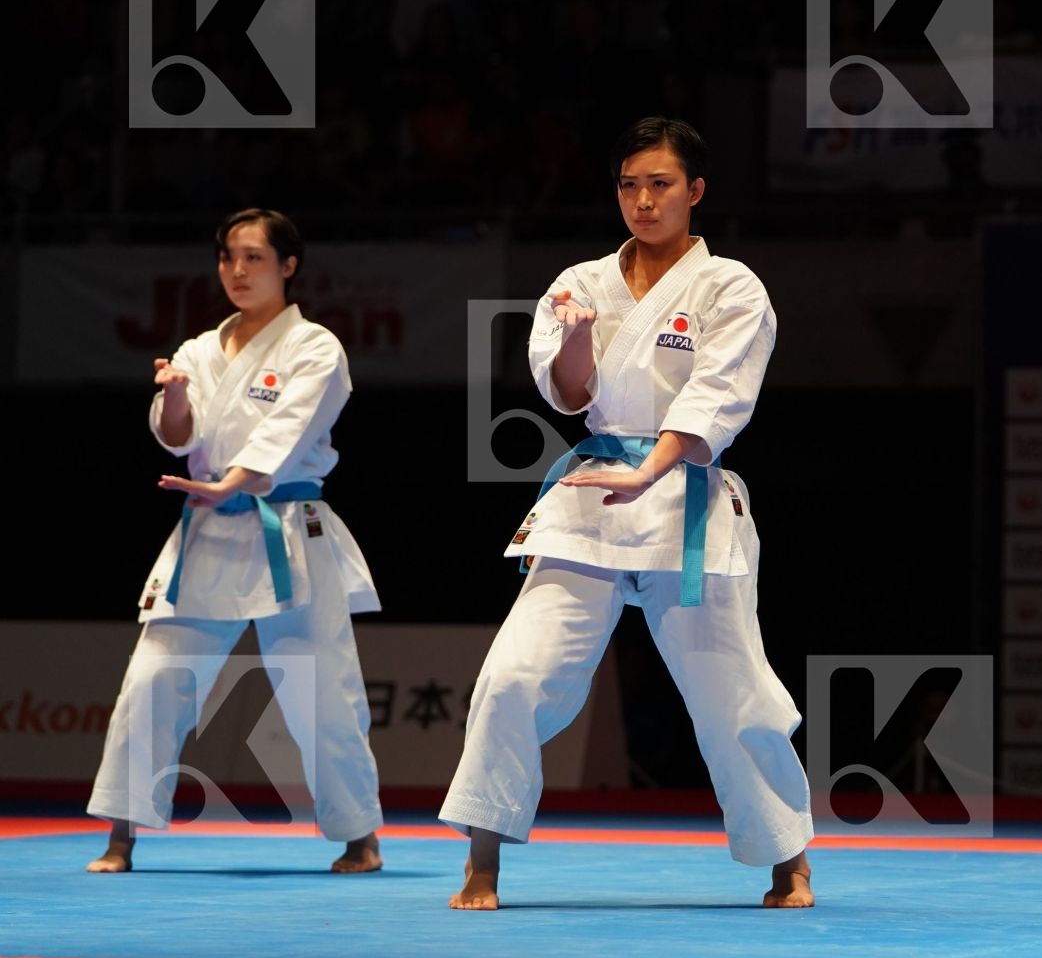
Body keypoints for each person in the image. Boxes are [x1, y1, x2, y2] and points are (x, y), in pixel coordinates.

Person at [441, 117, 813, 910]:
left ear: (696, 191)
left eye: (661, 184)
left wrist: (656, 465)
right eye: (629, 185)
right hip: (593, 495)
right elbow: (570, 393)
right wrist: (576, 340)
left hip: (686, 498)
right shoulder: (578, 282)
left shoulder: (731, 288)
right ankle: (483, 859)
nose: (643, 201)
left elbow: (720, 390)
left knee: (732, 693)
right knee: (512, 676)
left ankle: (788, 858)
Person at [85, 208, 384, 874]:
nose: (238, 271)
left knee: (323, 692)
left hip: (289, 531)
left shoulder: (315, 348)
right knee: (152, 681)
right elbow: (177, 437)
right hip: (209, 533)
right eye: (228, 258)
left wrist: (240, 482)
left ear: (288, 266)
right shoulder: (195, 350)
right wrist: (176, 397)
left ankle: (359, 835)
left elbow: (294, 430)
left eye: (253, 258)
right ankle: (121, 833)